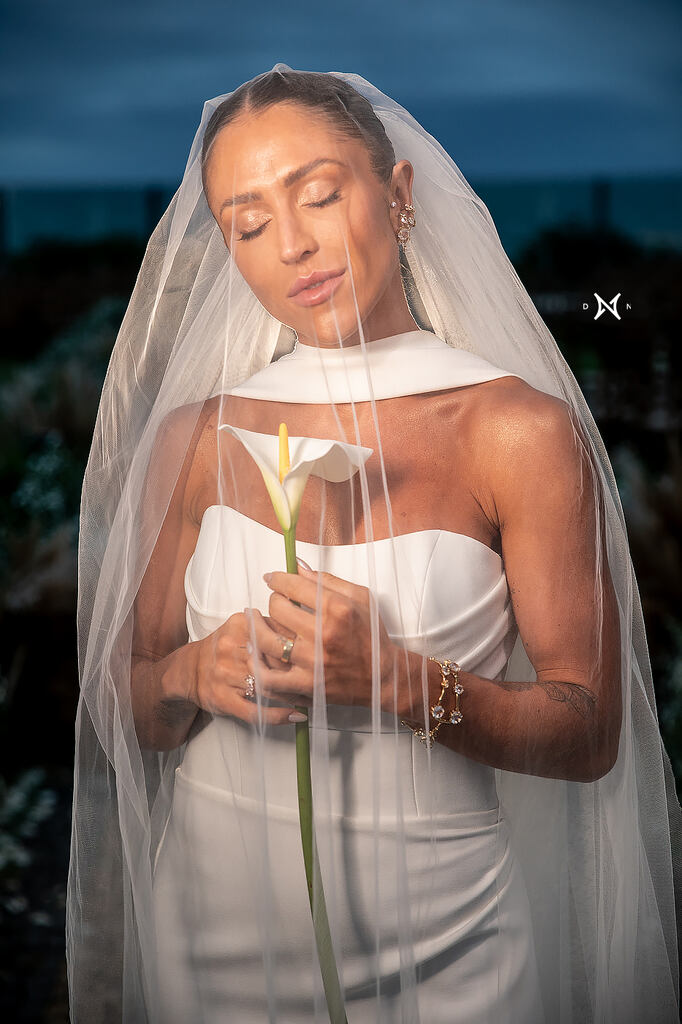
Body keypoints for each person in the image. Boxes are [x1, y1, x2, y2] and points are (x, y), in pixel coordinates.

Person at [66, 65, 681, 1023]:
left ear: (396, 195)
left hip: (450, 943)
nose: (295, 245)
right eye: (249, 223)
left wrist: (400, 683)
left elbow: (589, 730)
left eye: (318, 193)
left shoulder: (517, 432)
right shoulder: (192, 437)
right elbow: (126, 705)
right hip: (211, 925)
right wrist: (193, 671)